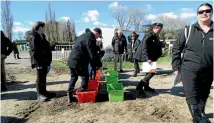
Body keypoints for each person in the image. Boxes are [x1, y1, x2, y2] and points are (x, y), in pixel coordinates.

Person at [172, 3, 213, 123]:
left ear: (211, 12)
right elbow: (176, 48)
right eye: (201, 12)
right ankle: (198, 119)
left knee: (204, 94)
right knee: (191, 95)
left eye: (207, 10)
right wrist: (176, 66)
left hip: (209, 70)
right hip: (189, 69)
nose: (204, 13)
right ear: (197, 15)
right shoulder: (189, 30)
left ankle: (200, 114)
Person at [67, 28, 102, 103]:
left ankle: (69, 95)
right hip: (79, 61)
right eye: (98, 36)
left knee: (73, 77)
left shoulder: (84, 35)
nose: (97, 38)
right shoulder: (91, 38)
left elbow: (84, 46)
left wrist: (96, 48)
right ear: (97, 33)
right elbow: (92, 54)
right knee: (85, 76)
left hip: (71, 60)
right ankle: (84, 94)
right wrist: (98, 62)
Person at [134, 23, 163, 98]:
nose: (160, 30)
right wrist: (147, 59)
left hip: (150, 56)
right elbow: (144, 47)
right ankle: (139, 87)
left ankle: (146, 87)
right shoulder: (149, 35)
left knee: (149, 72)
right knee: (152, 72)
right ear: (155, 28)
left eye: (161, 29)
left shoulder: (155, 35)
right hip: (146, 56)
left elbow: (155, 45)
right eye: (159, 29)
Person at [29, 21, 56, 102]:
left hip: (44, 61)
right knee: (40, 78)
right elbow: (34, 51)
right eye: (43, 27)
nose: (44, 29)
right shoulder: (33, 37)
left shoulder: (42, 36)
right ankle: (39, 95)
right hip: (39, 62)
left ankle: (44, 92)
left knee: (43, 77)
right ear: (40, 28)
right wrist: (38, 63)